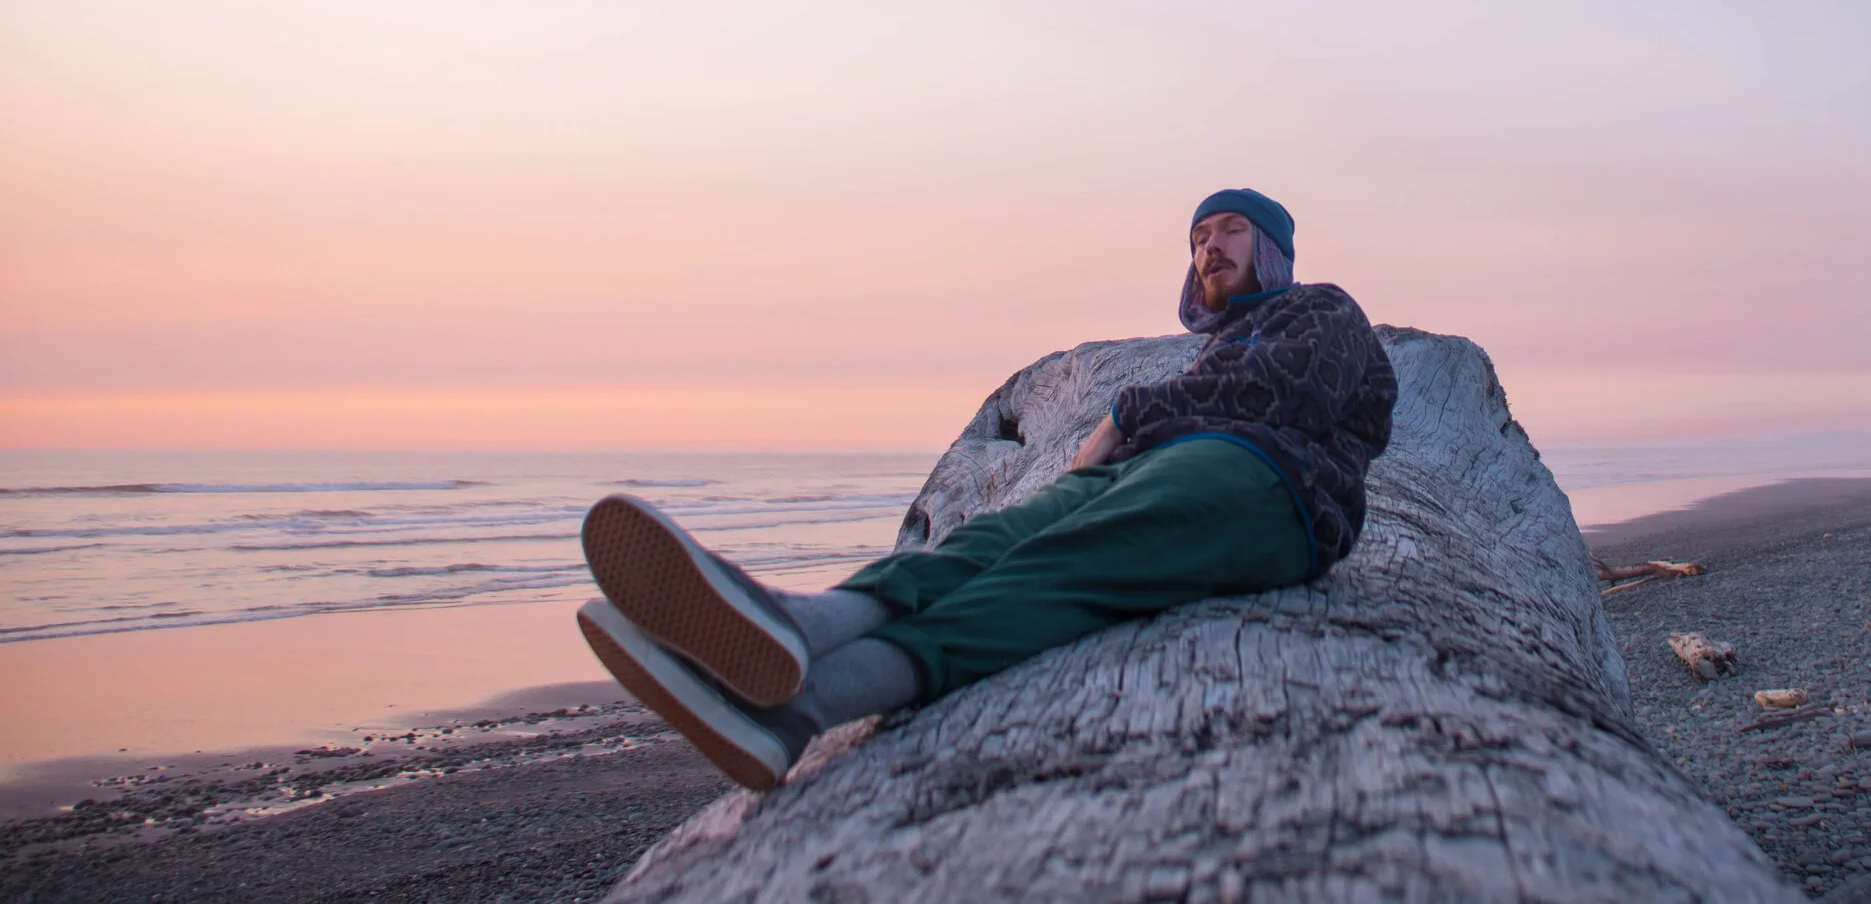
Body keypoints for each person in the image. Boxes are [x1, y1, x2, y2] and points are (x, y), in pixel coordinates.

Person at [574, 188, 1398, 789]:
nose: (1209, 247)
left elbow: (1286, 389)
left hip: (1273, 488)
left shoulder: (1324, 309)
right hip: (1166, 467)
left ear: (1272, 246)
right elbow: (1212, 394)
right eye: (1198, 237)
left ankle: (806, 705)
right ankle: (800, 626)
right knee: (993, 537)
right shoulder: (1216, 346)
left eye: (1230, 230)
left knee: (1059, 566)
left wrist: (1125, 411)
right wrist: (1128, 438)